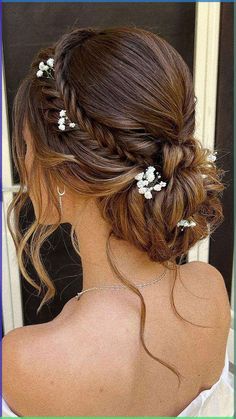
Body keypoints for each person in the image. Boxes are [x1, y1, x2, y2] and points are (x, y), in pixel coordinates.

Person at [2, 26, 233, 417]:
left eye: (25, 146)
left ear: (67, 170)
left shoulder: (26, 360)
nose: (23, 162)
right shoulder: (209, 290)